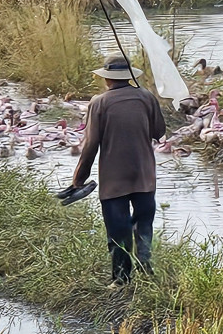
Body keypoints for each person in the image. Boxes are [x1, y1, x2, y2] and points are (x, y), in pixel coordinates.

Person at [69, 57, 167, 286]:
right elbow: (159, 132)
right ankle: (145, 264)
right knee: (143, 222)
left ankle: (121, 279)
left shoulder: (99, 103)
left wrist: (79, 179)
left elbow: (91, 145)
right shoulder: (146, 97)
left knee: (118, 229)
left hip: (114, 179)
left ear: (108, 79)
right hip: (144, 175)